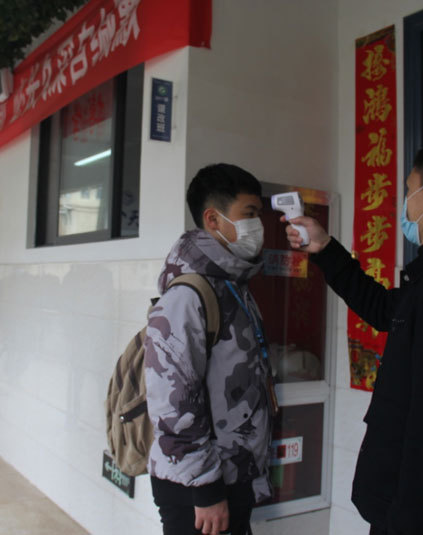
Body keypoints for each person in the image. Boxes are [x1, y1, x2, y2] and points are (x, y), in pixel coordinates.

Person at [283, 137, 423, 534]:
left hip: (419, 515)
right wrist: (325, 248)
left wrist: (410, 522)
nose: (405, 203)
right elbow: (386, 311)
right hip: (415, 505)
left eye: (409, 189)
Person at [144, 164, 274, 535]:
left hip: (233, 473)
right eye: (249, 214)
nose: (257, 226)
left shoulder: (234, 286)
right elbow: (172, 402)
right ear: (213, 219)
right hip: (199, 486)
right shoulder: (188, 296)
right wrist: (205, 488)